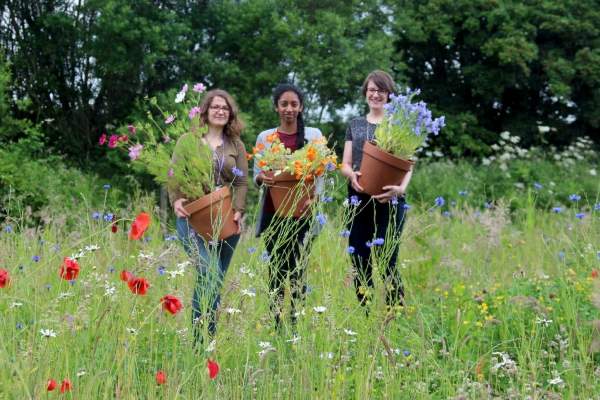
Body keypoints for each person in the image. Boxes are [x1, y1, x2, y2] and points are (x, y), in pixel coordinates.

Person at [169, 89, 248, 345]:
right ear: (205, 111)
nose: (220, 111)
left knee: (214, 282)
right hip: (192, 218)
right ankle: (197, 340)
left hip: (225, 221)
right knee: (208, 270)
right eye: (215, 107)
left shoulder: (236, 145)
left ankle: (206, 341)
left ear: (230, 114)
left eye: (225, 108)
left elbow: (243, 182)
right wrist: (176, 199)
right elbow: (173, 174)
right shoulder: (188, 141)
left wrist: (239, 210)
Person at [340, 70, 411, 312]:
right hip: (358, 198)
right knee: (359, 258)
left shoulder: (398, 125)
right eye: (371, 89)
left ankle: (395, 313)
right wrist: (351, 175)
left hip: (390, 199)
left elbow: (407, 163)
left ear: (389, 94)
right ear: (365, 93)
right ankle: (365, 312)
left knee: (387, 257)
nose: (376, 94)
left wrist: (400, 189)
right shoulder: (355, 125)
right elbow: (345, 164)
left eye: (381, 90)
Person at [253, 83, 322, 330]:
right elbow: (258, 174)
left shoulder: (313, 135)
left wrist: (316, 198)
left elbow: (322, 173)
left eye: (294, 104)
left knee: (299, 268)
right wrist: (263, 178)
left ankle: (295, 321)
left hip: (304, 212)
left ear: (301, 107)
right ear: (276, 107)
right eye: (284, 104)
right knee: (276, 268)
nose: (289, 109)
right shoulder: (266, 137)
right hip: (275, 213)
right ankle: (276, 322)